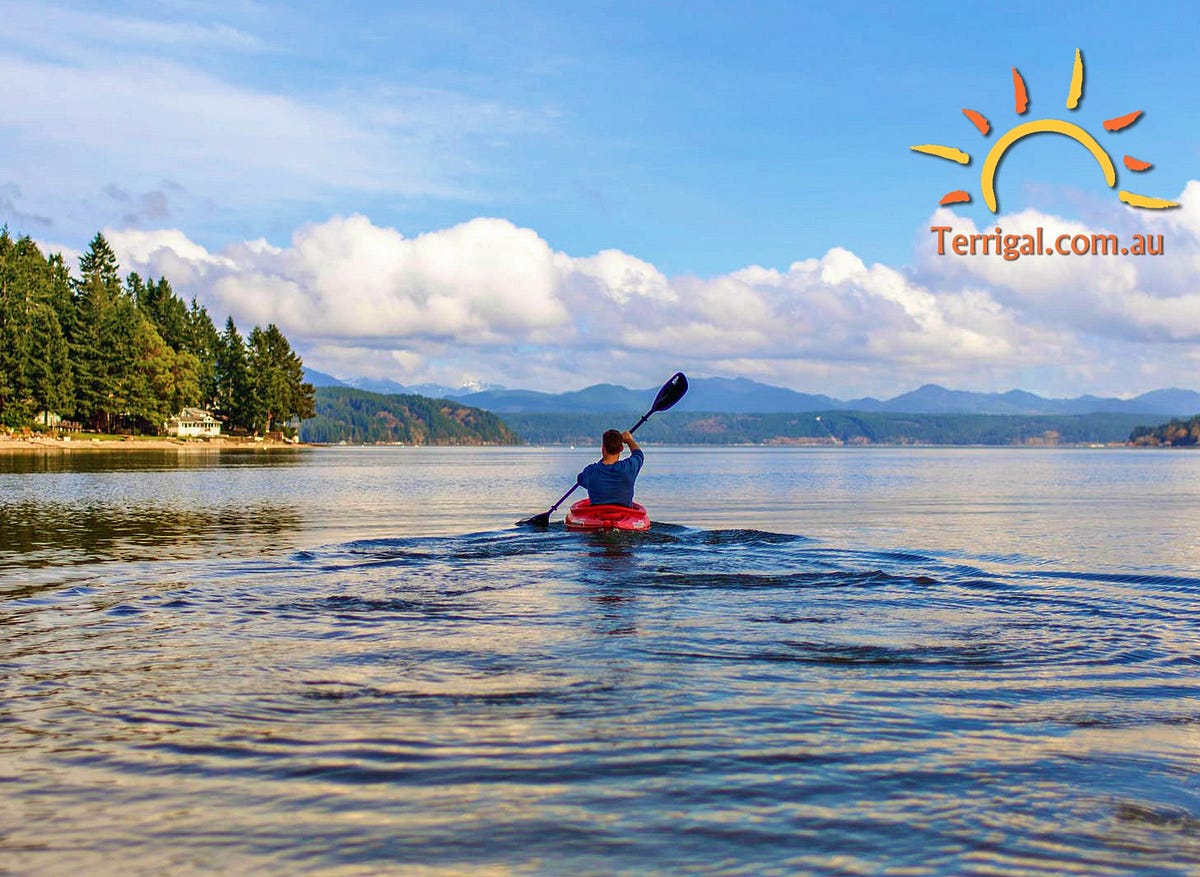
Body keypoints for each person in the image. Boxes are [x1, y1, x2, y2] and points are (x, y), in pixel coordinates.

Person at [576, 429, 643, 507]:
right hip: (623, 514)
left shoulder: (591, 471)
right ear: (621, 448)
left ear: (603, 448)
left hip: (597, 515)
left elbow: (580, 479)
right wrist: (629, 440)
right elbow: (638, 454)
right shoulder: (628, 467)